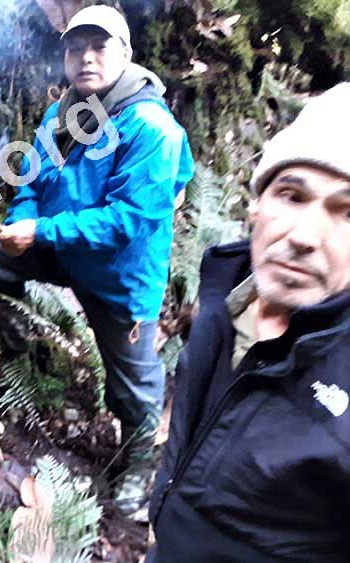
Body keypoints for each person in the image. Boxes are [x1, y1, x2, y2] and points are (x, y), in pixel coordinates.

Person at [0, 5, 194, 514]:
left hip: (121, 277)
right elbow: (31, 179)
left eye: (99, 47)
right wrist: (22, 222)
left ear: (125, 54)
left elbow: (127, 221)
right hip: (62, 249)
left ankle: (139, 467)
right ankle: (5, 346)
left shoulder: (151, 127)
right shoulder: (64, 112)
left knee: (133, 386)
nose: (85, 58)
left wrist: (43, 230)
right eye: (75, 48)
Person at [146, 83, 350, 562]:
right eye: (291, 195)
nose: (303, 236)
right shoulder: (223, 299)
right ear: (256, 205)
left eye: (347, 212)